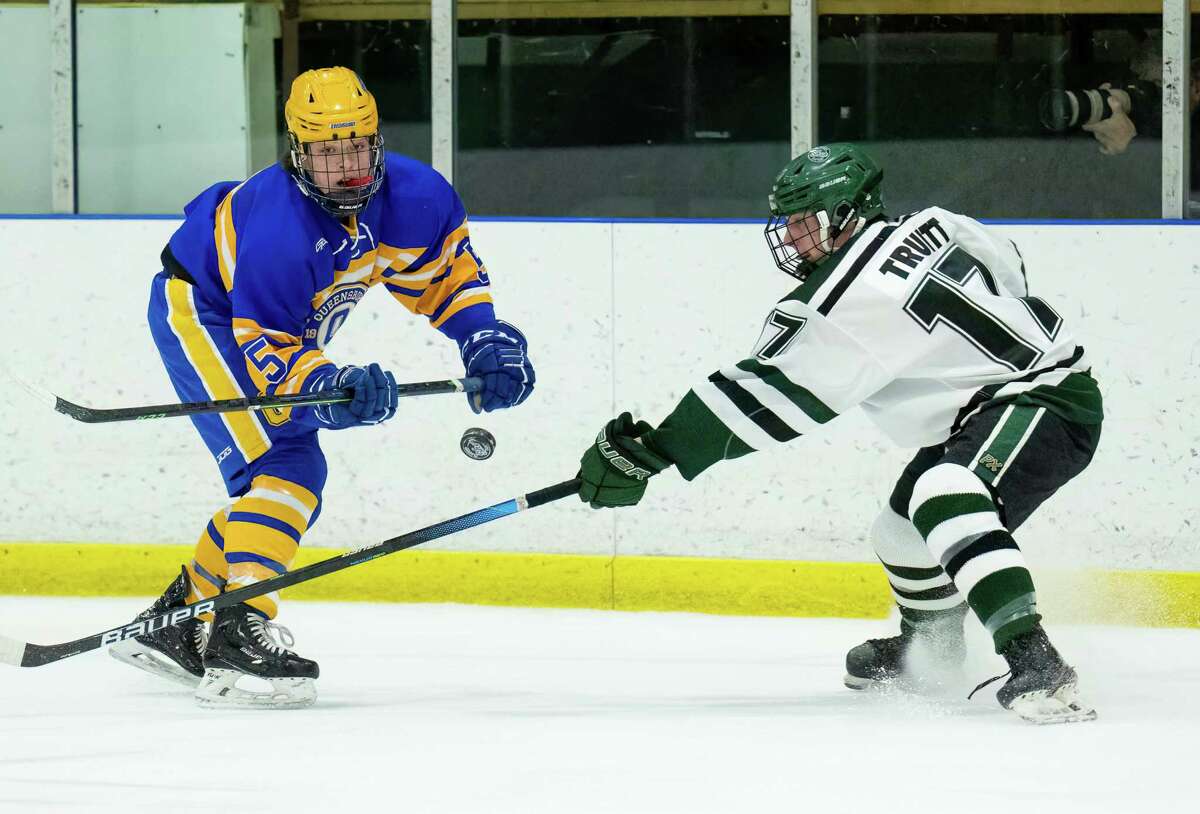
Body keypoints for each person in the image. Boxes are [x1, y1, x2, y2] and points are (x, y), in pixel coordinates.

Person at [575, 143, 1103, 725]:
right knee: (899, 533)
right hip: (1003, 398)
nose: (794, 238)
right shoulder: (939, 223)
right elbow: (1007, 267)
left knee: (943, 491)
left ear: (848, 214)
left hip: (1042, 401)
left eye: (805, 223)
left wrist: (657, 450)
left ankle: (1037, 662)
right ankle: (935, 650)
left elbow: (766, 390)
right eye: (791, 224)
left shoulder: (839, 299)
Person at [109, 67, 536, 708]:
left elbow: (446, 278)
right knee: (286, 462)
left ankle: (181, 619)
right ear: (298, 151)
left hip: (254, 317)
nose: (346, 168)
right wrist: (331, 388)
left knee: (283, 467)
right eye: (327, 153)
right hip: (206, 309)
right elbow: (272, 350)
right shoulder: (281, 230)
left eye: (357, 147)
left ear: (377, 142)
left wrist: (484, 337)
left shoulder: (417, 197)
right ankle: (235, 633)